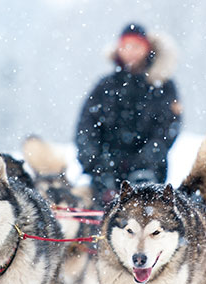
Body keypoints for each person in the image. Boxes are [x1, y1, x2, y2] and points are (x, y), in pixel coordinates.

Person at [75, 23, 182, 206]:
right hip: (105, 174)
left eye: (137, 46)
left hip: (149, 173)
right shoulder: (104, 86)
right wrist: (96, 163)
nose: (130, 51)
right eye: (126, 46)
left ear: (147, 49)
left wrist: (148, 158)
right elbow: (86, 126)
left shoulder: (163, 85)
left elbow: (168, 128)